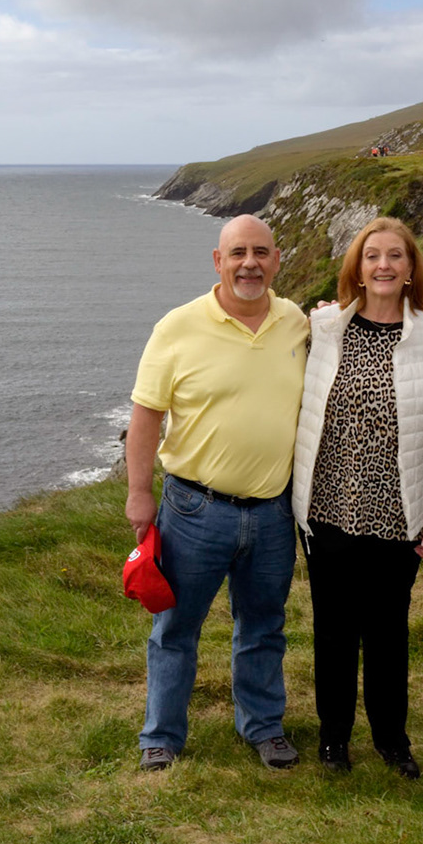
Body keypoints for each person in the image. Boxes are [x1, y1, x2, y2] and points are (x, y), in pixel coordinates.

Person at [127, 215, 309, 771]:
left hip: (274, 510)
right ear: (217, 261)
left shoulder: (298, 323)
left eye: (260, 252)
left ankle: (263, 726)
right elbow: (146, 415)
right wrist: (139, 494)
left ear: (277, 259)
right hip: (193, 509)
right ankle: (161, 735)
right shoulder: (177, 327)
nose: (249, 263)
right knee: (176, 628)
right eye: (237, 254)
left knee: (263, 625)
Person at [291, 217, 423, 779]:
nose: (384, 265)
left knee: (389, 631)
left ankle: (393, 740)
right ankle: (333, 741)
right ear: (357, 269)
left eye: (396, 256)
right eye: (372, 257)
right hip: (327, 510)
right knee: (334, 631)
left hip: (401, 512)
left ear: (412, 268)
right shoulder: (322, 326)